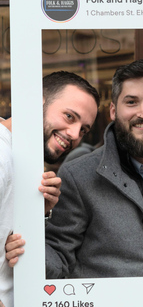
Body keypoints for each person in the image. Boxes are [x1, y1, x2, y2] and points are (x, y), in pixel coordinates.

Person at [6, 59, 143, 278]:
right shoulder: (76, 176)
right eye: (131, 102)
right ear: (113, 111)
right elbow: (59, 258)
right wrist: (29, 249)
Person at [1, 71, 99, 307]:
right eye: (69, 116)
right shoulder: (2, 154)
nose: (75, 135)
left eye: (84, 129)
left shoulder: (23, 160)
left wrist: (38, 213)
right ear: (37, 100)